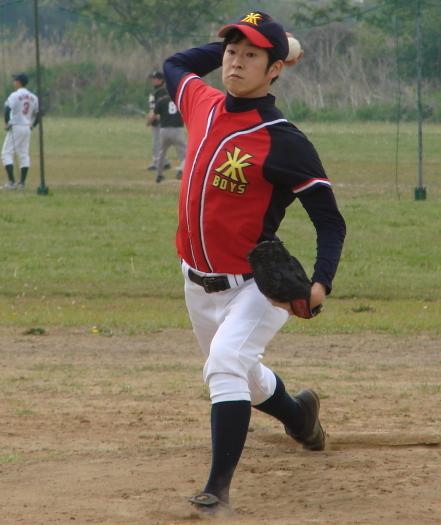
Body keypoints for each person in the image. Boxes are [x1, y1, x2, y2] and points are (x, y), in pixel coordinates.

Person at [162, 11, 346, 517]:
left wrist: (321, 283)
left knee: (224, 365)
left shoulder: (284, 140)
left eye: (251, 55)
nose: (235, 63)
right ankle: (300, 417)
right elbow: (176, 63)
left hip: (256, 285)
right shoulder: (200, 102)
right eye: (230, 52)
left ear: (275, 70)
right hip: (196, 282)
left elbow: (330, 222)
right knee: (242, 373)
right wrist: (276, 43)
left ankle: (216, 493)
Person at [0, 73, 39, 190]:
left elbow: (7, 110)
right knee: (23, 153)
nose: (14, 83)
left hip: (16, 126)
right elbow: (39, 113)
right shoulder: (33, 97)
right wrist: (33, 126)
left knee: (6, 153)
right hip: (26, 127)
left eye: (15, 80)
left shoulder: (15, 95)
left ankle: (11, 181)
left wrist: (6, 124)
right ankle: (22, 182)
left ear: (19, 82)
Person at [150, 91, 187, 183]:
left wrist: (149, 121)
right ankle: (181, 171)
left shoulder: (161, 101)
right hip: (177, 130)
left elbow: (154, 115)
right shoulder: (180, 100)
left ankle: (159, 174)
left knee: (162, 153)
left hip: (164, 130)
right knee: (186, 154)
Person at [145, 71, 170, 172]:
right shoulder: (156, 91)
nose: (153, 80)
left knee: (158, 143)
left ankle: (158, 163)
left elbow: (160, 107)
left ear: (161, 80)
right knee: (159, 142)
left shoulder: (161, 91)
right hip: (156, 119)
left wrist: (152, 117)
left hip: (159, 120)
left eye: (155, 78)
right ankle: (164, 162)